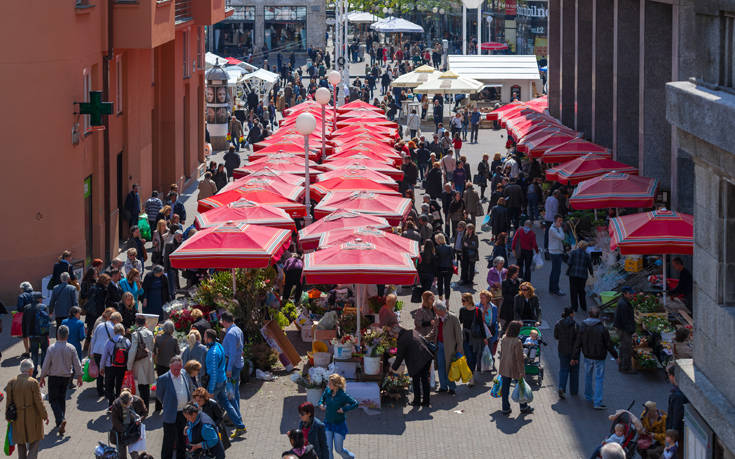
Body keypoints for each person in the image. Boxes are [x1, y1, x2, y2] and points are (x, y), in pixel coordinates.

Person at [38, 325, 82, 436]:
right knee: (61, 398)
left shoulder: (51, 348)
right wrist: (80, 376)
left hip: (53, 377)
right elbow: (77, 363)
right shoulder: (71, 348)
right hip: (66, 377)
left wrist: (42, 376)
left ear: (57, 334)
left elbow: (46, 363)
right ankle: (61, 420)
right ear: (67, 335)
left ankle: (60, 419)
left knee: (53, 400)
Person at [204, 328, 247, 438]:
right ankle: (240, 425)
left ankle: (212, 433)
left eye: (204, 336)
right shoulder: (219, 346)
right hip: (222, 380)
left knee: (210, 408)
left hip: (216, 383)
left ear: (208, 338)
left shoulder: (212, 352)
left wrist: (211, 390)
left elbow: (213, 372)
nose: (203, 338)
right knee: (227, 404)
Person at [573, 308, 618, 410]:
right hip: (599, 357)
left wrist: (574, 356)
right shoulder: (602, 328)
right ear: (598, 316)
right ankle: (597, 402)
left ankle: (588, 396)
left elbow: (578, 342)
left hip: (587, 356)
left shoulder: (583, 326)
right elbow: (608, 344)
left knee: (588, 376)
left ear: (589, 315)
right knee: (599, 379)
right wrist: (616, 356)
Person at [5, 359, 48, 459]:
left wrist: (8, 418)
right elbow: (39, 402)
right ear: (31, 370)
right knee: (35, 441)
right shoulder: (33, 382)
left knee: (21, 442)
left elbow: (8, 403)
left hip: (17, 418)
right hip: (32, 416)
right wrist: (44, 415)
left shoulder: (11, 382)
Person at [157, 356, 193, 459]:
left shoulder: (185, 374)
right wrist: (168, 404)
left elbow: (190, 388)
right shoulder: (163, 379)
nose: (177, 371)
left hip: (184, 414)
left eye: (179, 368)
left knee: (182, 439)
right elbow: (160, 395)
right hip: (171, 414)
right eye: (175, 369)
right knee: (169, 441)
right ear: (170, 367)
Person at [318, 374, 358, 459]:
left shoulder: (343, 395)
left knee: (338, 449)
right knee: (328, 449)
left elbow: (355, 403)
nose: (328, 385)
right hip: (328, 423)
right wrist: (321, 404)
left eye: (330, 383)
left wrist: (344, 409)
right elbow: (322, 399)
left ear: (335, 385)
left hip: (339, 425)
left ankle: (350, 457)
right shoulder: (327, 391)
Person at [426, 301, 462, 395]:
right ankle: (443, 387)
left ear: (440, 309)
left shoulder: (453, 318)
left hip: (450, 347)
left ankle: (452, 387)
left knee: (449, 367)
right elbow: (434, 331)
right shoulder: (437, 318)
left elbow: (458, 334)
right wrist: (425, 338)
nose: (434, 312)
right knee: (441, 366)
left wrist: (459, 347)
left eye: (435, 310)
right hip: (439, 345)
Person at [498, 321, 533, 415]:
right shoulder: (517, 342)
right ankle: (523, 407)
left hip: (504, 366)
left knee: (505, 388)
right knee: (521, 387)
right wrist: (522, 371)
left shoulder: (504, 338)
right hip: (515, 368)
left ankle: (505, 408)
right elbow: (519, 358)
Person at [109, 389, 148, 459]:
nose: (126, 406)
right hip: (121, 433)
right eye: (123, 405)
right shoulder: (116, 404)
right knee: (122, 455)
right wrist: (124, 430)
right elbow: (115, 420)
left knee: (134, 454)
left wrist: (140, 420)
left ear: (131, 400)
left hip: (134, 431)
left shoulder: (138, 401)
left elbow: (144, 412)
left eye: (128, 404)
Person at [220, 311, 246, 415]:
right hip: (238, 363)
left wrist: (229, 369)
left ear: (225, 322)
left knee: (231, 391)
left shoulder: (230, 333)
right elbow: (240, 347)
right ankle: (236, 411)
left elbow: (231, 353)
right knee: (235, 390)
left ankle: (234, 414)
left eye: (222, 322)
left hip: (232, 365)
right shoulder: (238, 329)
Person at [127, 314, 155, 411]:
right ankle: (146, 406)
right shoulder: (150, 333)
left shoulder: (135, 334)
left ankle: (142, 407)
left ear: (136, 323)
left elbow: (133, 351)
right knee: (146, 385)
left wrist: (129, 366)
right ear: (145, 323)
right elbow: (151, 348)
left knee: (140, 386)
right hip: (148, 361)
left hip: (139, 362)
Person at [100, 323, 131, 407]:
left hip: (110, 366)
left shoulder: (109, 341)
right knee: (119, 384)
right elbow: (129, 354)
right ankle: (118, 402)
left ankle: (111, 403)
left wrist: (101, 367)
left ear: (114, 331)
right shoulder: (127, 341)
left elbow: (104, 356)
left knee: (109, 385)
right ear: (123, 331)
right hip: (122, 366)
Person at [192, 387, 231, 451]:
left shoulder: (213, 404)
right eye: (196, 400)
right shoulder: (196, 405)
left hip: (215, 430)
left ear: (205, 398)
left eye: (199, 401)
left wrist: (212, 425)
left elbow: (220, 417)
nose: (198, 402)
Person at [90, 310, 119, 396]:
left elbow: (93, 339)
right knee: (107, 372)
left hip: (97, 351)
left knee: (100, 371)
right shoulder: (113, 328)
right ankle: (107, 391)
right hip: (106, 352)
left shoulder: (100, 325)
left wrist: (92, 352)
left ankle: (100, 390)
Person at [458, 293, 485, 386]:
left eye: (463, 300)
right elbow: (460, 321)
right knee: (468, 357)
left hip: (476, 338)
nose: (462, 302)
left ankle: (471, 374)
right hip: (465, 336)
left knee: (473, 357)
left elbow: (481, 325)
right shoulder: (462, 310)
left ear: (469, 300)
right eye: (461, 300)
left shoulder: (477, 311)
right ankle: (471, 376)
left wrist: (484, 338)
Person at [22, 292, 50, 378]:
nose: (42, 300)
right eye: (41, 298)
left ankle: (34, 372)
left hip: (32, 334)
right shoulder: (43, 307)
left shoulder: (26, 308)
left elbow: (24, 323)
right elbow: (47, 321)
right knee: (44, 352)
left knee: (34, 353)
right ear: (38, 299)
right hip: (43, 334)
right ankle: (44, 370)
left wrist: (25, 334)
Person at [554, 307, 579, 399]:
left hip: (562, 350)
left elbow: (556, 336)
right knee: (574, 371)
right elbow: (578, 341)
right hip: (573, 351)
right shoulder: (576, 325)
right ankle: (574, 391)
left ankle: (561, 387)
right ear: (571, 314)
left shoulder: (558, 323)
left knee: (563, 369)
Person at [614, 286, 637, 374]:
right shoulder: (623, 304)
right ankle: (625, 368)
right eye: (630, 293)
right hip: (624, 330)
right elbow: (625, 321)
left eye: (632, 293)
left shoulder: (624, 302)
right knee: (626, 349)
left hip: (623, 329)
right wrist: (632, 331)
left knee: (623, 348)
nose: (632, 295)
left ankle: (623, 366)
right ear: (625, 294)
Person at [567, 240, 594, 312]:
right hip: (582, 276)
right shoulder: (587, 255)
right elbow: (589, 266)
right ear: (585, 247)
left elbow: (569, 263)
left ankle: (574, 307)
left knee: (573, 291)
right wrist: (591, 273)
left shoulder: (573, 252)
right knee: (581, 291)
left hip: (573, 274)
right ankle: (583, 306)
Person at [665, 364, 687, 435]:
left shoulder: (677, 395)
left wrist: (672, 431)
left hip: (676, 433)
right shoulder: (683, 388)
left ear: (672, 376)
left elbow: (676, 416)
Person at [499, 265, 521, 334]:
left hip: (517, 305)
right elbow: (504, 294)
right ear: (512, 273)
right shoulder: (505, 282)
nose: (517, 273)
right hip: (508, 306)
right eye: (516, 272)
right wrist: (515, 298)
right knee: (508, 321)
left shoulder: (519, 281)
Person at [548, 215, 566, 296]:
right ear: (555, 221)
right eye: (559, 221)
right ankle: (555, 289)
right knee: (556, 272)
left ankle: (552, 288)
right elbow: (562, 237)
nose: (561, 222)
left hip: (555, 251)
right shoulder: (553, 229)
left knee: (554, 271)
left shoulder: (554, 228)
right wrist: (560, 228)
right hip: (555, 252)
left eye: (561, 220)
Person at [434, 234, 454, 302]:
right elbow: (453, 258)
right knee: (447, 285)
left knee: (440, 284)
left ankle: (440, 300)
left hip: (440, 269)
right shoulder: (449, 247)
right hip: (449, 268)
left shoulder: (437, 248)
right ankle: (447, 302)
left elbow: (436, 260)